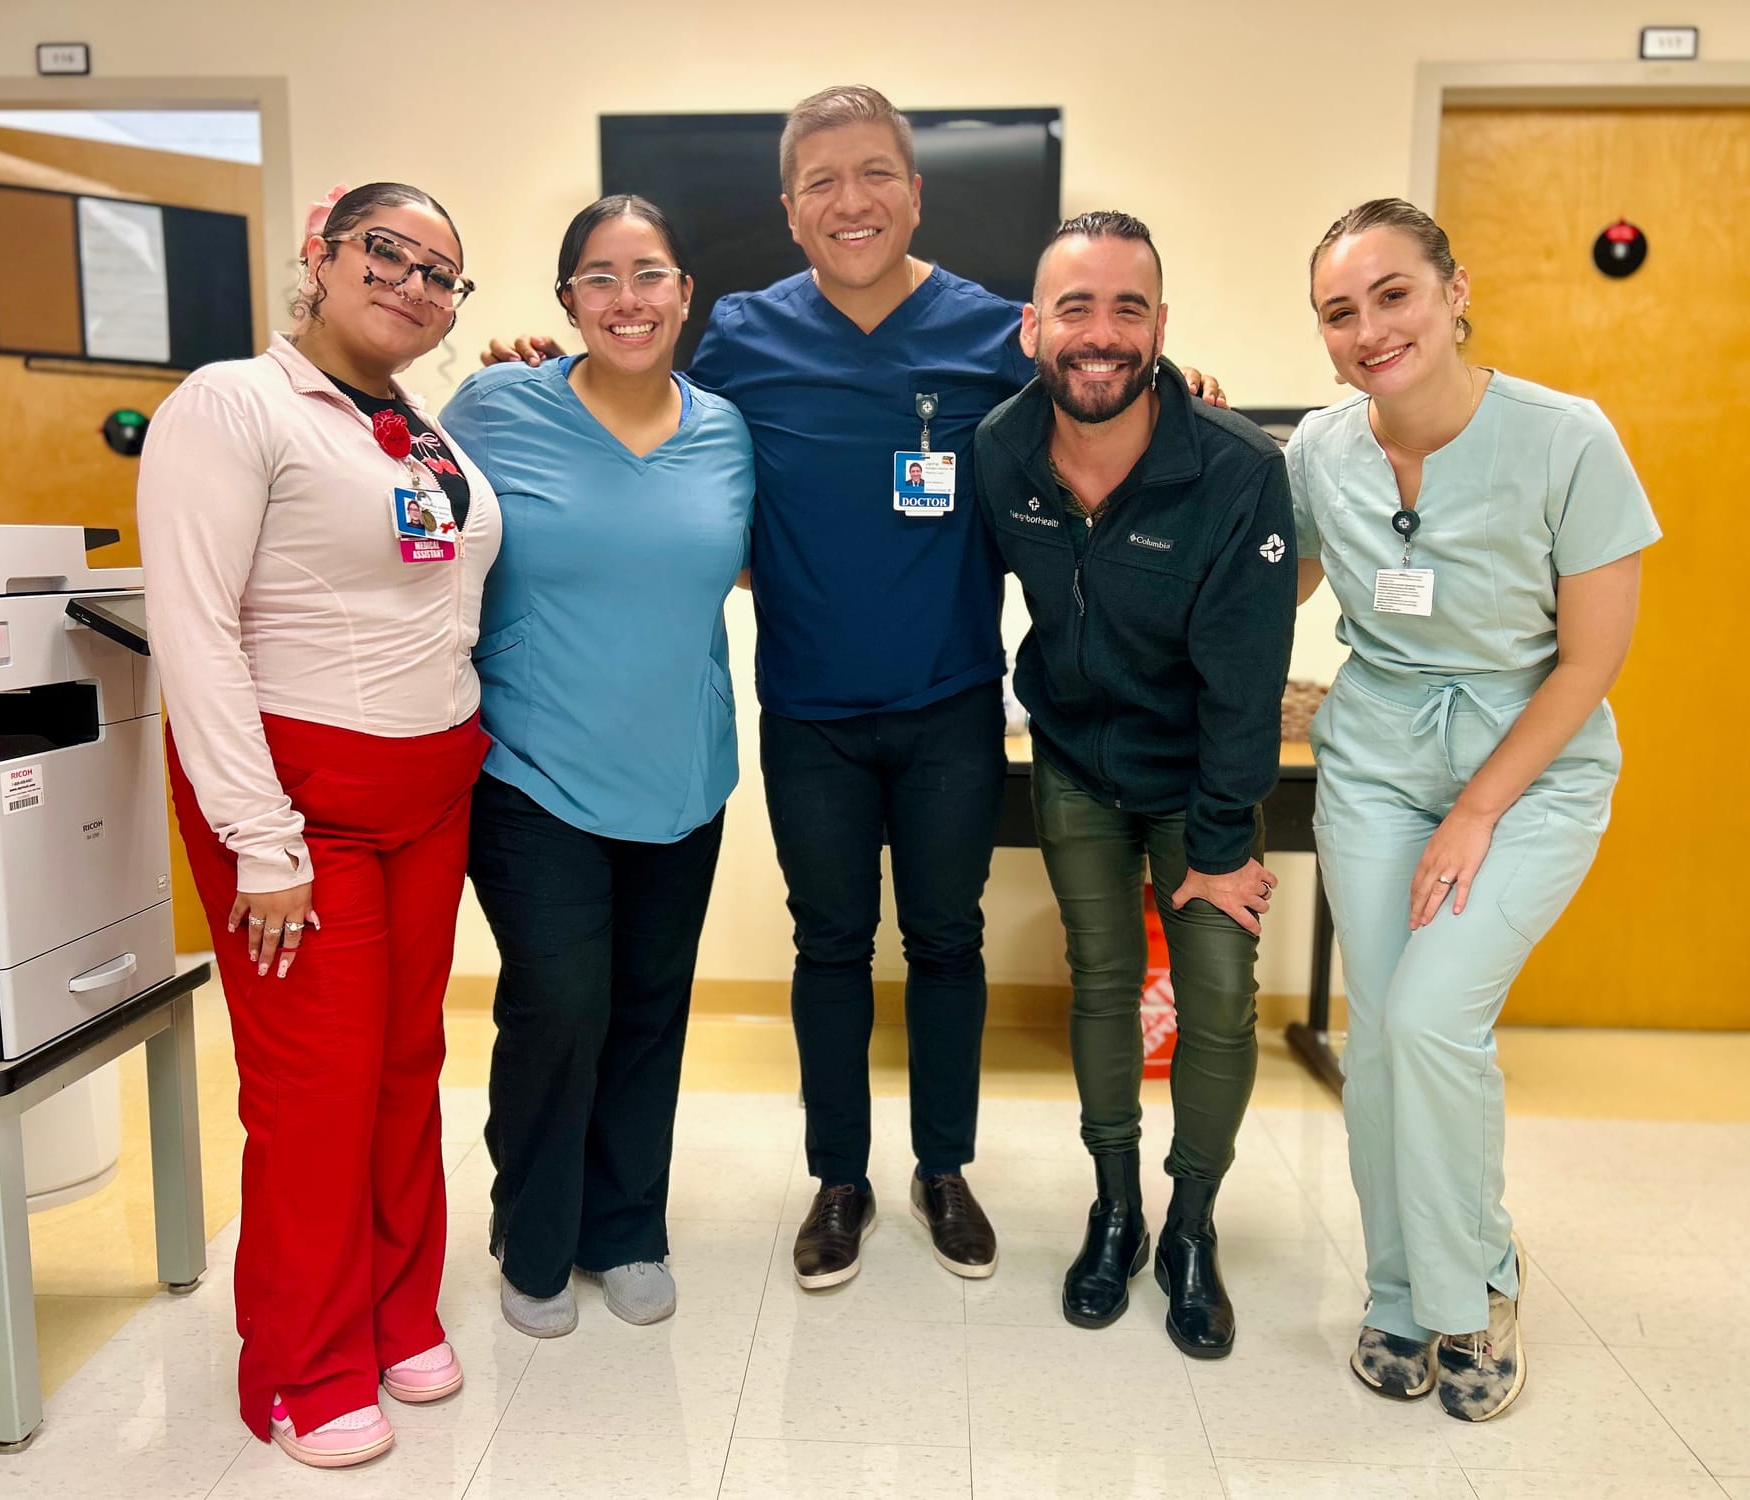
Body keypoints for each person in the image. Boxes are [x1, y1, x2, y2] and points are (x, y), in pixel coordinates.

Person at [486, 86, 1224, 1293]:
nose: (851, 200)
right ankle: (839, 1178)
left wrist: (1173, 381)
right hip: (809, 710)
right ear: (788, 209)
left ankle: (943, 1168)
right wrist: (538, 361)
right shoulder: (740, 336)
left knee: (946, 941)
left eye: (874, 172)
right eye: (820, 180)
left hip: (948, 705)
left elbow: (1098, 388)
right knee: (827, 946)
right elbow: (639, 402)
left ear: (914, 192)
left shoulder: (993, 330)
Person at [138, 182, 494, 1469]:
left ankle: (397, 1312)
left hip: (430, 793)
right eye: (388, 252)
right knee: (315, 1089)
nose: (413, 283)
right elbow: (195, 632)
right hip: (300, 811)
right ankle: (304, 1364)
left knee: (404, 1069)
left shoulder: (421, 433)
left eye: (441, 274)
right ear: (322, 256)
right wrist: (259, 837)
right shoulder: (231, 404)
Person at [1292, 198, 1659, 1421]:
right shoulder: (1318, 453)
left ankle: (1477, 1285)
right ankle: (1398, 1292)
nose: (1367, 329)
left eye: (1391, 293)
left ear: (1453, 293)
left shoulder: (1565, 440)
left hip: (1531, 767)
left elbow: (1588, 661)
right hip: (1376, 764)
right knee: (1380, 1034)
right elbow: (1265, 584)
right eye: (1337, 313)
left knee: (1432, 1015)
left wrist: (1477, 810)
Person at [974, 212, 1294, 1359]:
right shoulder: (999, 450)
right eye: (1075, 307)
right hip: (1073, 769)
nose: (1099, 333)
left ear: (1160, 326)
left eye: (1126, 308)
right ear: (1031, 328)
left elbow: (1247, 683)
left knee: (1215, 998)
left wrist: (1219, 845)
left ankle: (1190, 1224)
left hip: (1202, 782)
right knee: (1102, 985)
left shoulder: (1236, 468)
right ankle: (1114, 1208)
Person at [438, 197, 753, 1338]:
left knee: (649, 1009)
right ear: (567, 300)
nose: (629, 299)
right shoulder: (494, 407)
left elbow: (764, 564)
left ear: (685, 294)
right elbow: (414, 536)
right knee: (559, 1005)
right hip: (532, 769)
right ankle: (534, 1235)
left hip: (681, 770)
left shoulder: (727, 432)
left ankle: (625, 1229)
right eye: (601, 277)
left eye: (650, 273)